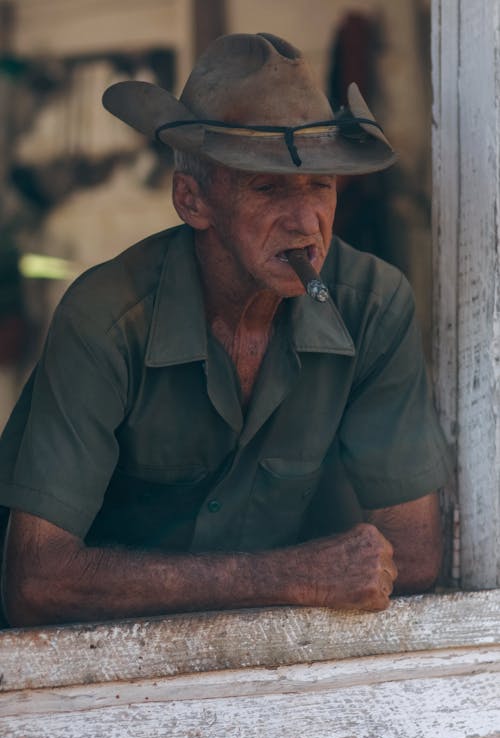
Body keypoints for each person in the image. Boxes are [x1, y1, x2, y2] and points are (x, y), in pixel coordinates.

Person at [0, 33, 450, 627]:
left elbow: (413, 555)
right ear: (192, 199)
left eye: (320, 184)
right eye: (266, 187)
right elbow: (36, 581)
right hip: (86, 677)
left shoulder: (370, 307)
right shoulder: (106, 319)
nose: (304, 222)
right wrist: (290, 577)